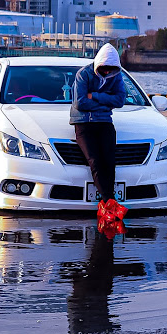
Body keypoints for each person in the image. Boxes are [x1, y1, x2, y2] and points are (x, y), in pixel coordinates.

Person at [70, 43, 127, 220]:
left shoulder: (116, 76)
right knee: (94, 161)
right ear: (99, 64)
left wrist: (94, 95)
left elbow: (120, 100)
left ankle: (108, 206)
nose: (107, 72)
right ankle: (109, 203)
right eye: (104, 69)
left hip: (104, 122)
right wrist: (105, 103)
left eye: (110, 69)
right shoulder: (83, 75)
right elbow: (80, 103)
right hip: (83, 123)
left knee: (109, 161)